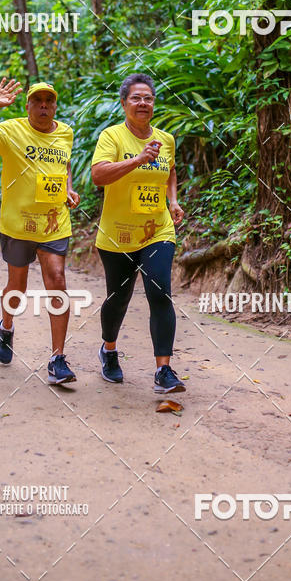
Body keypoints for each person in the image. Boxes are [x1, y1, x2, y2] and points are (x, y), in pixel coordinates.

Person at [0, 78, 80, 385]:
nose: (44, 106)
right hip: (18, 224)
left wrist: (68, 187)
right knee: (17, 286)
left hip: (54, 222)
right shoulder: (11, 130)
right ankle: (7, 325)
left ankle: (57, 359)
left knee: (57, 280)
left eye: (49, 101)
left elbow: (63, 165)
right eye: (37, 101)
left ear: (54, 105)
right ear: (27, 105)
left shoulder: (65, 132)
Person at [91, 73, 186, 393]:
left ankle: (164, 370)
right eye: (136, 98)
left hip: (157, 229)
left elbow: (170, 170)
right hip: (117, 234)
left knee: (159, 291)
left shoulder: (166, 139)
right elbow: (98, 176)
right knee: (118, 299)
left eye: (148, 98)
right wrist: (138, 160)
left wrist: (172, 201)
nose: (143, 103)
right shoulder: (112, 137)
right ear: (124, 103)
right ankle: (109, 349)